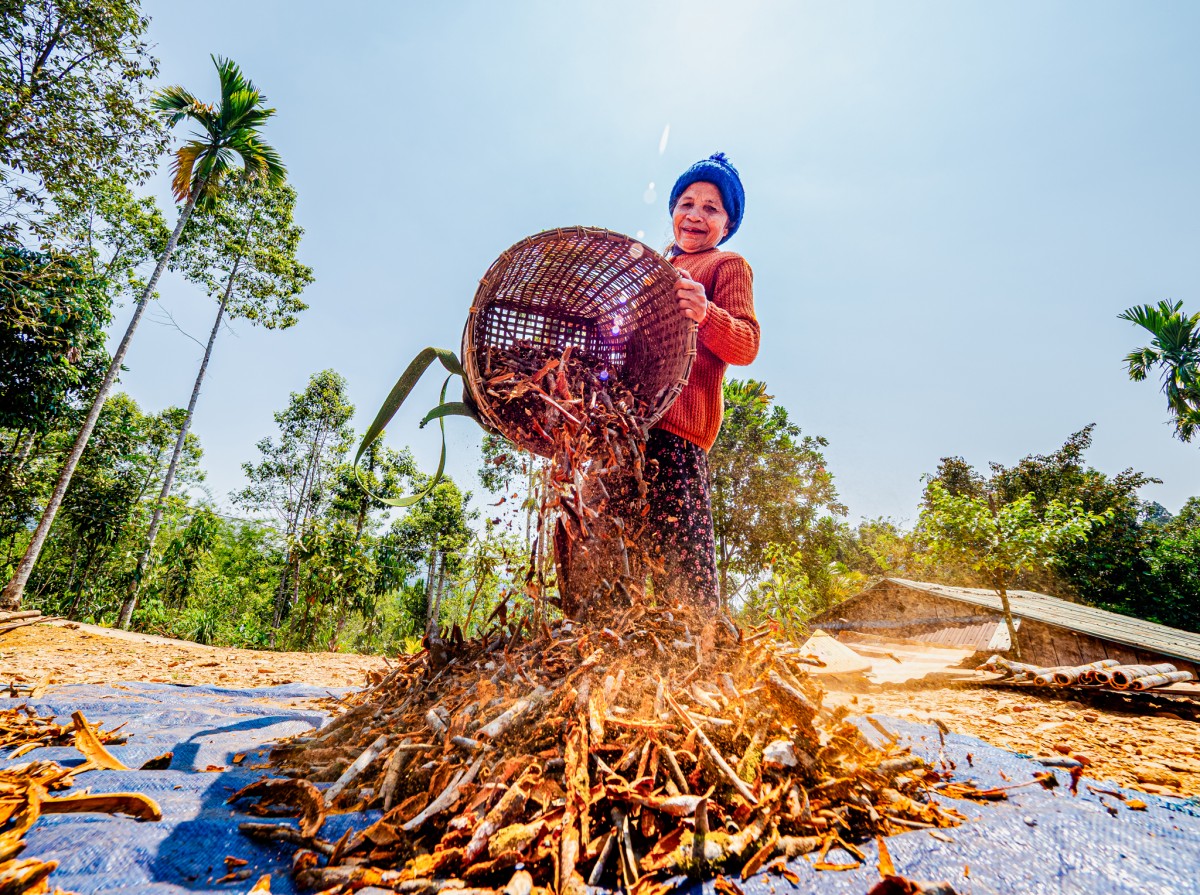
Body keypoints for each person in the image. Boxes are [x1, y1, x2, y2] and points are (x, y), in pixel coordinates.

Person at [643, 152, 760, 611]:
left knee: (681, 562)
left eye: (711, 208)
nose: (695, 215)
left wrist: (706, 313)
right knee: (610, 545)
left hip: (677, 433)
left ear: (727, 225)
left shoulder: (725, 266)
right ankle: (612, 646)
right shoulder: (648, 269)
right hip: (626, 428)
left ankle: (700, 648)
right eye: (686, 203)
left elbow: (746, 344)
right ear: (672, 211)